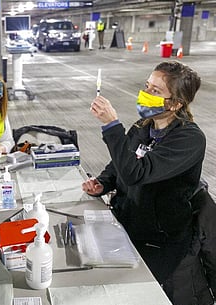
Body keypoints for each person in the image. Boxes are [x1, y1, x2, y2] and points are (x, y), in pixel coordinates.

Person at [83, 61, 205, 287]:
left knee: (135, 289)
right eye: (147, 86)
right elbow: (121, 163)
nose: (145, 94)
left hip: (158, 239)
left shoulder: (188, 140)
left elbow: (135, 174)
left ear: (176, 103)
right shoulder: (143, 126)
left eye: (155, 91)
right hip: (128, 221)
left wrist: (112, 126)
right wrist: (103, 182)